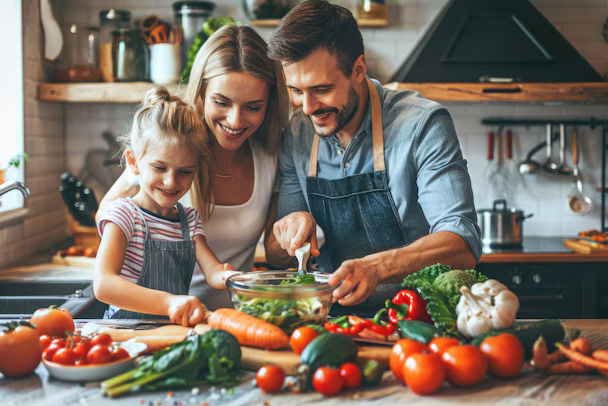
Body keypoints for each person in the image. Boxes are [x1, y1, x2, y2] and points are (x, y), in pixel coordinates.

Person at [264, 0, 482, 314]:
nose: (308, 108)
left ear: (358, 69)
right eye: (296, 91)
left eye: (321, 89)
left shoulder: (422, 124)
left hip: (422, 315)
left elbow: (462, 243)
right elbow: (276, 257)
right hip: (335, 318)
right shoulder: (297, 133)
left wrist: (376, 268)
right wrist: (289, 229)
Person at [97, 25, 290, 310]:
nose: (236, 121)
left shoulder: (271, 159)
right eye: (221, 102)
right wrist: (169, 304)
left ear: (269, 104)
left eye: (253, 106)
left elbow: (269, 256)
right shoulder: (168, 148)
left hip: (232, 318)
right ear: (200, 91)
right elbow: (108, 219)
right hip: (160, 319)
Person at [93, 87, 234, 326]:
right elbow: (104, 284)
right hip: (125, 333)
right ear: (134, 162)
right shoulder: (124, 215)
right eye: (160, 168)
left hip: (172, 331)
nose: (171, 181)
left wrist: (231, 276)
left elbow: (213, 272)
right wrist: (169, 303)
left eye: (184, 172)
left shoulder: (189, 220)